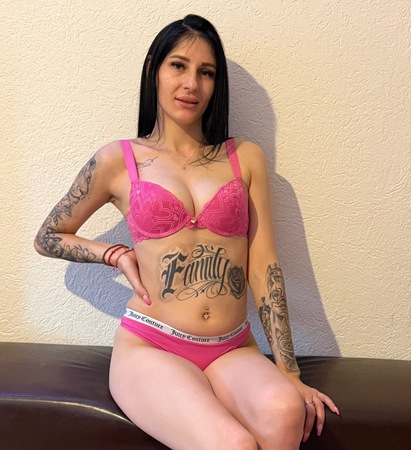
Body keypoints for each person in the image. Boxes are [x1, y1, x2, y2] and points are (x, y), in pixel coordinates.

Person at [34, 14, 339, 450]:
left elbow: (264, 266)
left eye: (206, 72)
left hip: (232, 347)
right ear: (153, 70)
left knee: (286, 410)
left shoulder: (244, 157)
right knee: (232, 444)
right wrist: (114, 254)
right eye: (178, 66)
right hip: (151, 346)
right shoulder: (118, 160)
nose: (191, 84)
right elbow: (48, 236)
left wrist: (290, 373)